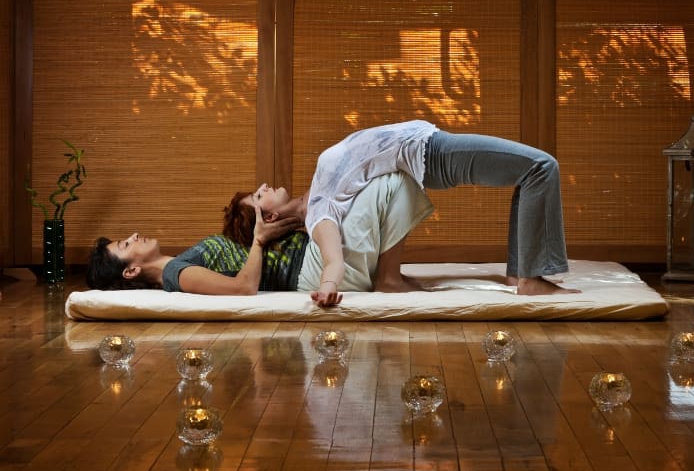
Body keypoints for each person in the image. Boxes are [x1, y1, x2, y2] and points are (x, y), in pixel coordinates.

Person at [235, 120, 578, 305]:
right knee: (541, 166)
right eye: (258, 196)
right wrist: (328, 288)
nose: (263, 186)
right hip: (428, 153)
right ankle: (531, 281)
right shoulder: (319, 212)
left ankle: (520, 274)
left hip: (426, 145)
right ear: (271, 218)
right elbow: (333, 259)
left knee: (526, 174)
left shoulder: (316, 195)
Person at [86, 171, 434, 304]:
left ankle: (387, 275)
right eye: (125, 245)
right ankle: (387, 279)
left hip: (310, 255)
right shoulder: (175, 272)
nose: (132, 236)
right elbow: (243, 288)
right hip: (307, 271)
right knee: (393, 182)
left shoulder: (183, 260)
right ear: (130, 271)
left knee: (385, 180)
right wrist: (258, 239)